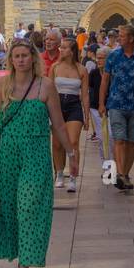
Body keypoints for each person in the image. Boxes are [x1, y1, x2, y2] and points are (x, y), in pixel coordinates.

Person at [0, 38, 77, 268]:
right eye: (16, 56)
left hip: (36, 152)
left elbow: (58, 124)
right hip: (8, 153)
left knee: (29, 207)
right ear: (11, 59)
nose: (21, 60)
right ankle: (19, 259)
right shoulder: (1, 86)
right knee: (12, 209)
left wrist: (71, 153)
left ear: (33, 58)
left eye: (25, 55)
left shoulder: (46, 86)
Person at [99, 23, 134, 193]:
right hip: (115, 104)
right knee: (119, 139)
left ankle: (126, 174)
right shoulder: (113, 56)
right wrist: (101, 103)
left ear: (131, 39)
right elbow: (105, 80)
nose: (118, 38)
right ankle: (121, 174)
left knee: (131, 142)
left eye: (122, 36)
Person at [48, 35, 89, 193]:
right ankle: (59, 174)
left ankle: (72, 176)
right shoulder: (55, 67)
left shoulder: (81, 69)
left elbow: (85, 94)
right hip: (57, 105)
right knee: (57, 144)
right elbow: (49, 89)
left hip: (74, 106)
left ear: (71, 51)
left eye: (64, 47)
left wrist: (86, 115)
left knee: (72, 142)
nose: (61, 49)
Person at [88, 46, 108, 159]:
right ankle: (106, 165)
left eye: (102, 58)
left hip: (110, 108)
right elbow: (89, 89)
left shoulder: (113, 73)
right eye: (98, 58)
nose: (98, 60)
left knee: (110, 137)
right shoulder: (94, 73)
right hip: (96, 108)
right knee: (101, 137)